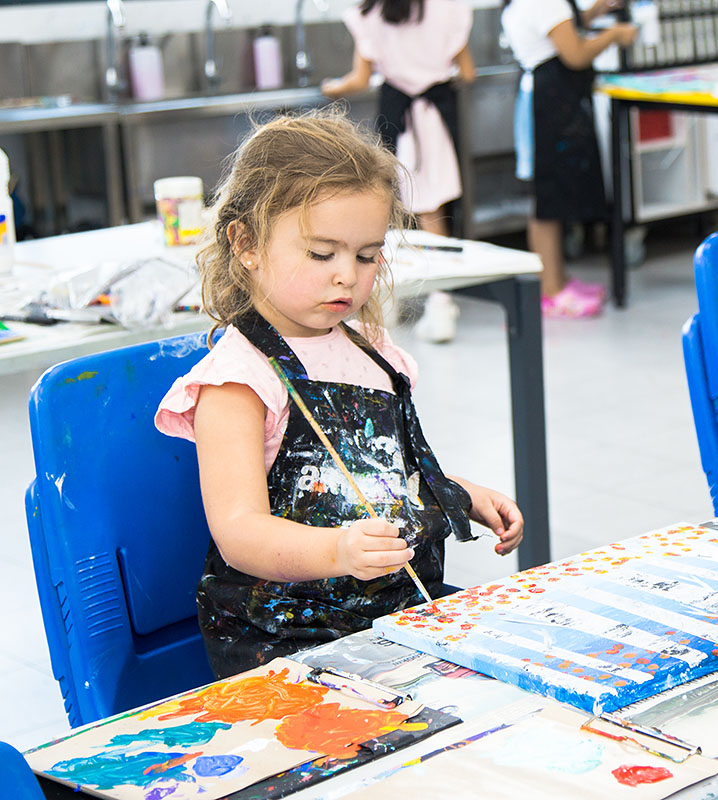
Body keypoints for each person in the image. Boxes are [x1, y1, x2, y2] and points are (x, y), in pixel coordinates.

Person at [154, 113, 523, 678]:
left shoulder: (371, 350)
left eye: (367, 255)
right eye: (322, 255)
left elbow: (383, 472)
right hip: (287, 640)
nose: (347, 276)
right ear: (246, 243)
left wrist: (461, 493)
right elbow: (239, 534)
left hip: (393, 616)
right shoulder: (238, 380)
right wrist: (339, 553)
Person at [322, 0, 475, 343]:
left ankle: (384, 303)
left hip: (397, 121)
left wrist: (333, 87)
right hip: (435, 122)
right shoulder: (448, 8)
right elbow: (467, 72)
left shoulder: (371, 14)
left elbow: (360, 79)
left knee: (386, 215)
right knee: (434, 216)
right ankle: (441, 303)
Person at [501, 0, 636, 317]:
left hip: (544, 101)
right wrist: (614, 34)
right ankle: (551, 289)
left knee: (550, 197)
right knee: (547, 200)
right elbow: (574, 54)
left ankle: (556, 280)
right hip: (550, 107)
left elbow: (558, 31)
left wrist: (593, 13)